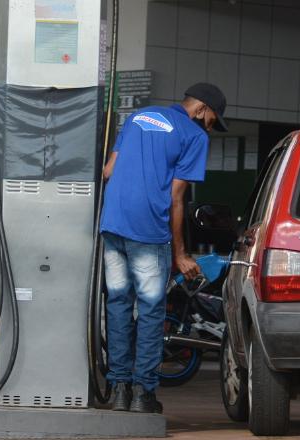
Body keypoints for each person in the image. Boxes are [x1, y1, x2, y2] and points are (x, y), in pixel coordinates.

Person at [100, 83, 228, 413]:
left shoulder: (138, 117)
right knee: (151, 310)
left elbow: (109, 171)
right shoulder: (195, 136)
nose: (211, 126)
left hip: (113, 224)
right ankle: (143, 393)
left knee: (117, 303)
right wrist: (181, 253)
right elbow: (176, 197)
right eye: (213, 118)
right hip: (147, 229)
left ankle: (118, 390)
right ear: (201, 109)